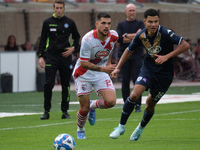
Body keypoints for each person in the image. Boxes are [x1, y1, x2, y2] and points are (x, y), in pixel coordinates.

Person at [109, 8, 190, 141]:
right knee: (134, 94)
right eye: (150, 22)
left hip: (165, 75)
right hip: (148, 69)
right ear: (145, 22)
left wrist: (166, 57)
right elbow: (128, 51)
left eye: (156, 21)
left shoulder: (165, 33)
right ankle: (121, 127)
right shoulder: (140, 35)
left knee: (149, 104)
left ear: (159, 21)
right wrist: (118, 68)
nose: (153, 24)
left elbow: (185, 45)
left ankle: (140, 128)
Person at [72, 12, 118, 139]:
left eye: (108, 23)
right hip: (83, 73)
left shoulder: (113, 36)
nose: (106, 26)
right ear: (96, 24)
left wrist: (109, 67)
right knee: (84, 109)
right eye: (103, 23)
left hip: (101, 72)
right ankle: (80, 129)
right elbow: (84, 63)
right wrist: (104, 68)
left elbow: (110, 49)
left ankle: (93, 106)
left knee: (111, 102)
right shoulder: (87, 40)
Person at [38, 0, 80, 120]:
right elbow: (43, 40)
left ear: (64, 8)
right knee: (48, 83)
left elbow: (77, 38)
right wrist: (41, 56)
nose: (59, 10)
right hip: (51, 56)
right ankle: (46, 111)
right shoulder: (47, 22)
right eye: (57, 8)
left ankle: (65, 111)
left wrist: (73, 49)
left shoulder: (70, 22)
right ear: (53, 9)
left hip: (65, 57)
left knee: (65, 84)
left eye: (61, 8)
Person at [117, 3, 145, 112]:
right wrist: (135, 36)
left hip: (137, 55)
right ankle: (127, 105)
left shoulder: (140, 23)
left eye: (133, 10)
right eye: (130, 10)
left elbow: (141, 36)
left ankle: (138, 104)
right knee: (125, 81)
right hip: (123, 56)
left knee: (137, 80)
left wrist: (126, 35)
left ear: (136, 12)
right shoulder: (120, 24)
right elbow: (120, 39)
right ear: (126, 12)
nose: (132, 12)